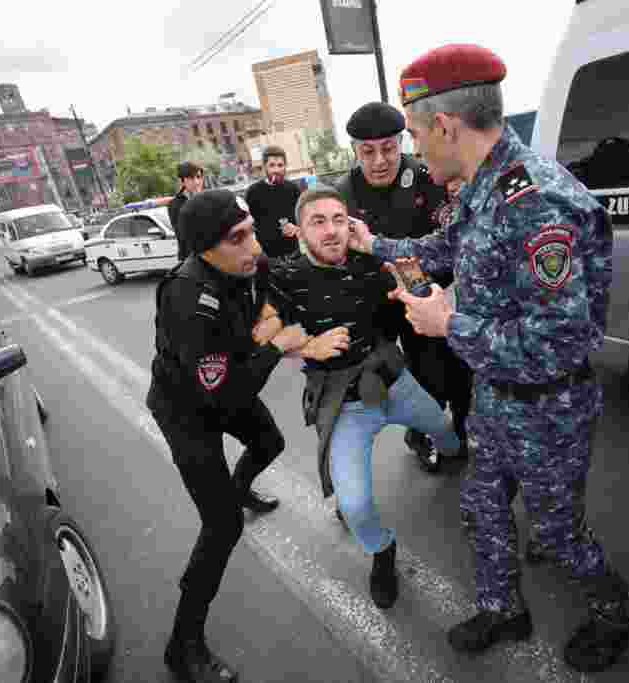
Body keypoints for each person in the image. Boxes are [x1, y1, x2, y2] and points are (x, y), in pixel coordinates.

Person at [346, 44, 629, 672]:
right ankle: (503, 608)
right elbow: (441, 246)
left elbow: (561, 341)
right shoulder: (484, 189)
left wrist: (447, 321)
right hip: (498, 398)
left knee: (558, 534)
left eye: (418, 135)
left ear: (448, 126)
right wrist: (372, 242)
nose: (417, 151)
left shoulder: (537, 203)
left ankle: (616, 614)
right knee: (482, 507)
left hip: (549, 407)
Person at [265, 186, 462, 609]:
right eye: (318, 222)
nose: (331, 230)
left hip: (394, 380)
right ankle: (381, 551)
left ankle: (444, 453)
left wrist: (412, 279)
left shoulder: (371, 261)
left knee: (447, 432)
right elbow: (264, 333)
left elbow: (420, 287)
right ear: (299, 230)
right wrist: (307, 348)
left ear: (350, 224)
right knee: (353, 505)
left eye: (338, 219)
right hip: (344, 404)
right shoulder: (282, 276)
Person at [146, 189, 313, 683]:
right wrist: (278, 345)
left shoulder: (248, 265)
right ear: (204, 249)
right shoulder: (186, 298)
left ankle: (236, 494)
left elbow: (280, 289)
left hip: (225, 387)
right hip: (187, 411)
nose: (253, 247)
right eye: (237, 239)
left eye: (251, 232)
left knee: (269, 443)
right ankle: (183, 646)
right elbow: (223, 395)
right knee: (221, 529)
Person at [336, 101, 473, 473]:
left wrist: (425, 287)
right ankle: (418, 431)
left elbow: (448, 244)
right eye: (368, 152)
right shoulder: (341, 194)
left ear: (402, 143)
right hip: (374, 303)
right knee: (383, 383)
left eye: (389, 148)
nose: (380, 160)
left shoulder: (430, 180)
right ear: (355, 151)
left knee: (441, 373)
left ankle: (444, 433)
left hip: (421, 294)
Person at [244, 146, 301, 261]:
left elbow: (303, 218)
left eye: (280, 165)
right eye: (272, 165)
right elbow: (247, 225)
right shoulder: (252, 192)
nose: (276, 170)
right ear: (265, 167)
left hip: (294, 252)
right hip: (268, 257)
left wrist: (296, 228)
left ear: (285, 166)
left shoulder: (293, 188)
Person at [167, 161, 205, 259]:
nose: (196, 182)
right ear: (182, 181)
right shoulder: (175, 205)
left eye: (199, 177)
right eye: (191, 178)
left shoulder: (208, 198)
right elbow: (183, 236)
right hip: (192, 259)